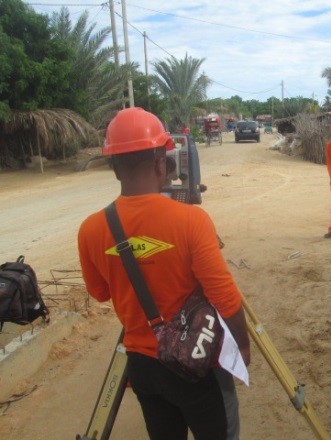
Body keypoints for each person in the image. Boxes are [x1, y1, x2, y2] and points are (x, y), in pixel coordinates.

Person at [78, 107, 250, 440]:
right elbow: (225, 298)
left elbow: (100, 293)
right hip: (197, 366)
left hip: (143, 367)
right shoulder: (191, 222)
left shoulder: (90, 230)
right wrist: (242, 346)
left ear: (114, 168)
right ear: (161, 163)